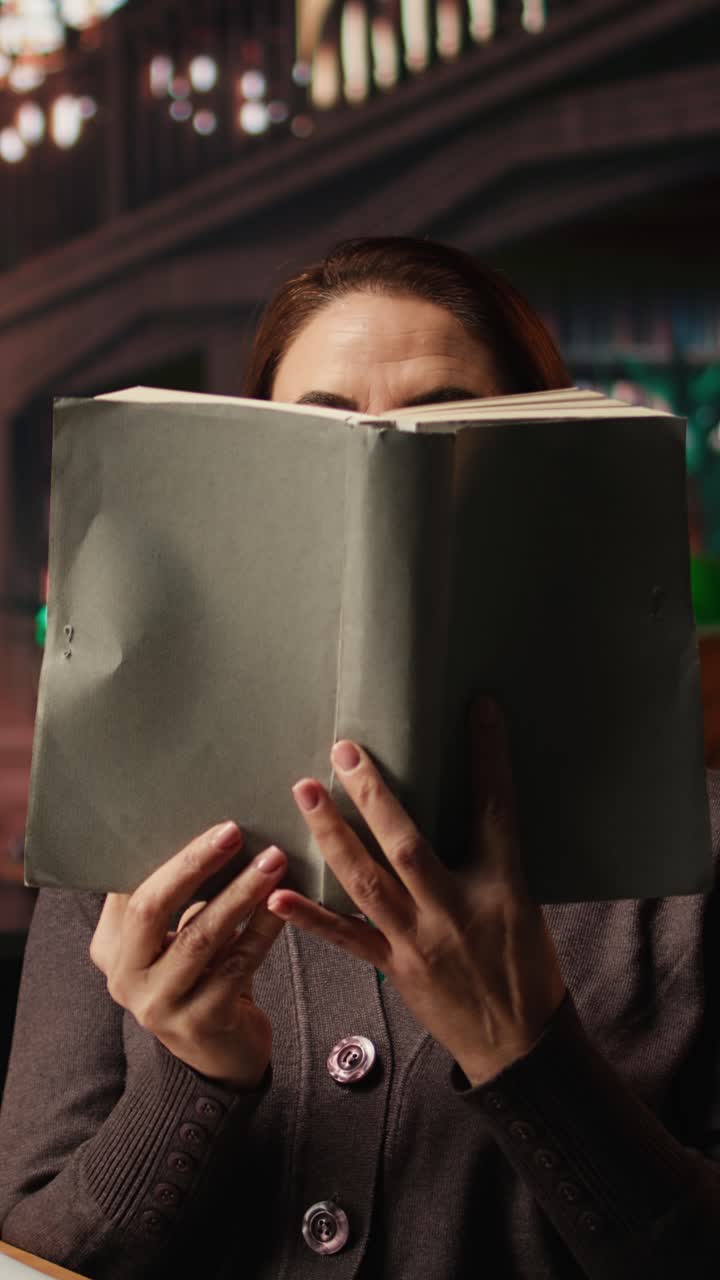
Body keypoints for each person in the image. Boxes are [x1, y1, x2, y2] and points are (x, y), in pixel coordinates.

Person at [0, 237, 718, 1279]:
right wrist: (190, 1081)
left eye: (449, 429)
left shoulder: (693, 859)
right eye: (324, 438)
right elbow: (29, 1252)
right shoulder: (130, 849)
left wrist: (529, 1051)